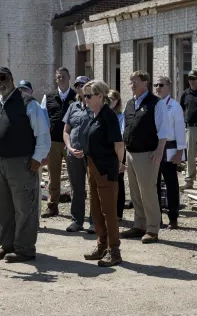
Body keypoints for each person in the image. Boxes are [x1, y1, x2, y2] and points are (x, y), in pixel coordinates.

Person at [0, 67, 51, 263]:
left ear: (12, 79)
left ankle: (24, 249)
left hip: (23, 163)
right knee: (1, 207)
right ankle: (7, 245)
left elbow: (42, 133)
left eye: (3, 78)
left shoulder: (28, 103)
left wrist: (37, 158)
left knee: (24, 208)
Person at [120, 71, 169, 244]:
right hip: (131, 153)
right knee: (134, 192)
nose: (132, 85)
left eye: (136, 82)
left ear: (145, 84)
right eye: (131, 82)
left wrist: (159, 150)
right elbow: (124, 128)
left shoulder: (156, 103)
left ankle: (153, 229)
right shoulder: (129, 104)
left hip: (148, 154)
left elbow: (163, 130)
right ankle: (139, 225)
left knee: (148, 191)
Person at [82, 80, 124, 267]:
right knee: (96, 210)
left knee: (109, 211)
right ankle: (102, 245)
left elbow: (118, 144)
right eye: (84, 95)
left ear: (100, 96)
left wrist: (118, 164)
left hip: (106, 169)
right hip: (93, 167)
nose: (86, 99)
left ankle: (114, 250)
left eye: (89, 95)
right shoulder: (94, 115)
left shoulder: (109, 116)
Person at [41, 67, 76, 218]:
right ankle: (52, 206)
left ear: (69, 78)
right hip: (53, 142)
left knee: (75, 175)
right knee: (53, 176)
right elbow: (43, 118)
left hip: (72, 142)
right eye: (58, 77)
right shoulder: (48, 97)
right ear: (56, 79)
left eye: (63, 76)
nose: (61, 79)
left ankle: (77, 208)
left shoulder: (76, 96)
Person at [62, 75, 94, 233]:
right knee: (77, 188)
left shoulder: (96, 105)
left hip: (92, 153)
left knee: (94, 187)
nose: (79, 87)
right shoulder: (72, 106)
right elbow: (66, 131)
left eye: (82, 84)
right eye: (77, 85)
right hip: (73, 153)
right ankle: (77, 220)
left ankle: (95, 222)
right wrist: (69, 146)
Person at [153, 76, 186, 229]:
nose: (157, 88)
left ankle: (173, 218)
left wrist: (180, 151)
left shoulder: (174, 106)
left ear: (169, 87)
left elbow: (180, 129)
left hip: (170, 148)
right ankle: (156, 217)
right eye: (155, 85)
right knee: (155, 184)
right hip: (155, 147)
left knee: (171, 183)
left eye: (161, 85)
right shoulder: (154, 104)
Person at [108, 90, 127, 220]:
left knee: (119, 181)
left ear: (118, 101)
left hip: (118, 151)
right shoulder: (102, 113)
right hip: (106, 152)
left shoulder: (121, 116)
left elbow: (122, 133)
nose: (111, 101)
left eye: (114, 99)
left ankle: (119, 213)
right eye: (109, 98)